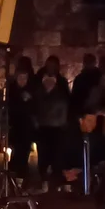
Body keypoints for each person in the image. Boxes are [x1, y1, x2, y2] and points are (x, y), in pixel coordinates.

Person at [34, 56, 70, 189]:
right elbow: (35, 103)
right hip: (43, 125)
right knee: (43, 154)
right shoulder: (38, 82)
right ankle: (44, 178)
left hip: (57, 126)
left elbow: (67, 102)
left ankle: (56, 181)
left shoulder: (62, 83)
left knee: (57, 154)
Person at [7, 59, 38, 182]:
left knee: (23, 153)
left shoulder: (31, 90)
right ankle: (13, 177)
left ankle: (21, 179)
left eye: (25, 78)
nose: (22, 81)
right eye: (20, 78)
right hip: (14, 127)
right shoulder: (12, 90)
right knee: (15, 153)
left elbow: (34, 108)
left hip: (26, 128)